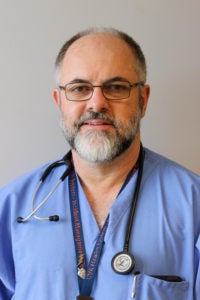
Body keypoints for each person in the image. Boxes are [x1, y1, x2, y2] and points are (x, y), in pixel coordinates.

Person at [0, 27, 199, 300]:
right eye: (79, 88)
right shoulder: (12, 207)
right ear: (59, 102)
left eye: (116, 87)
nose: (97, 103)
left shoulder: (194, 205)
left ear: (143, 99)